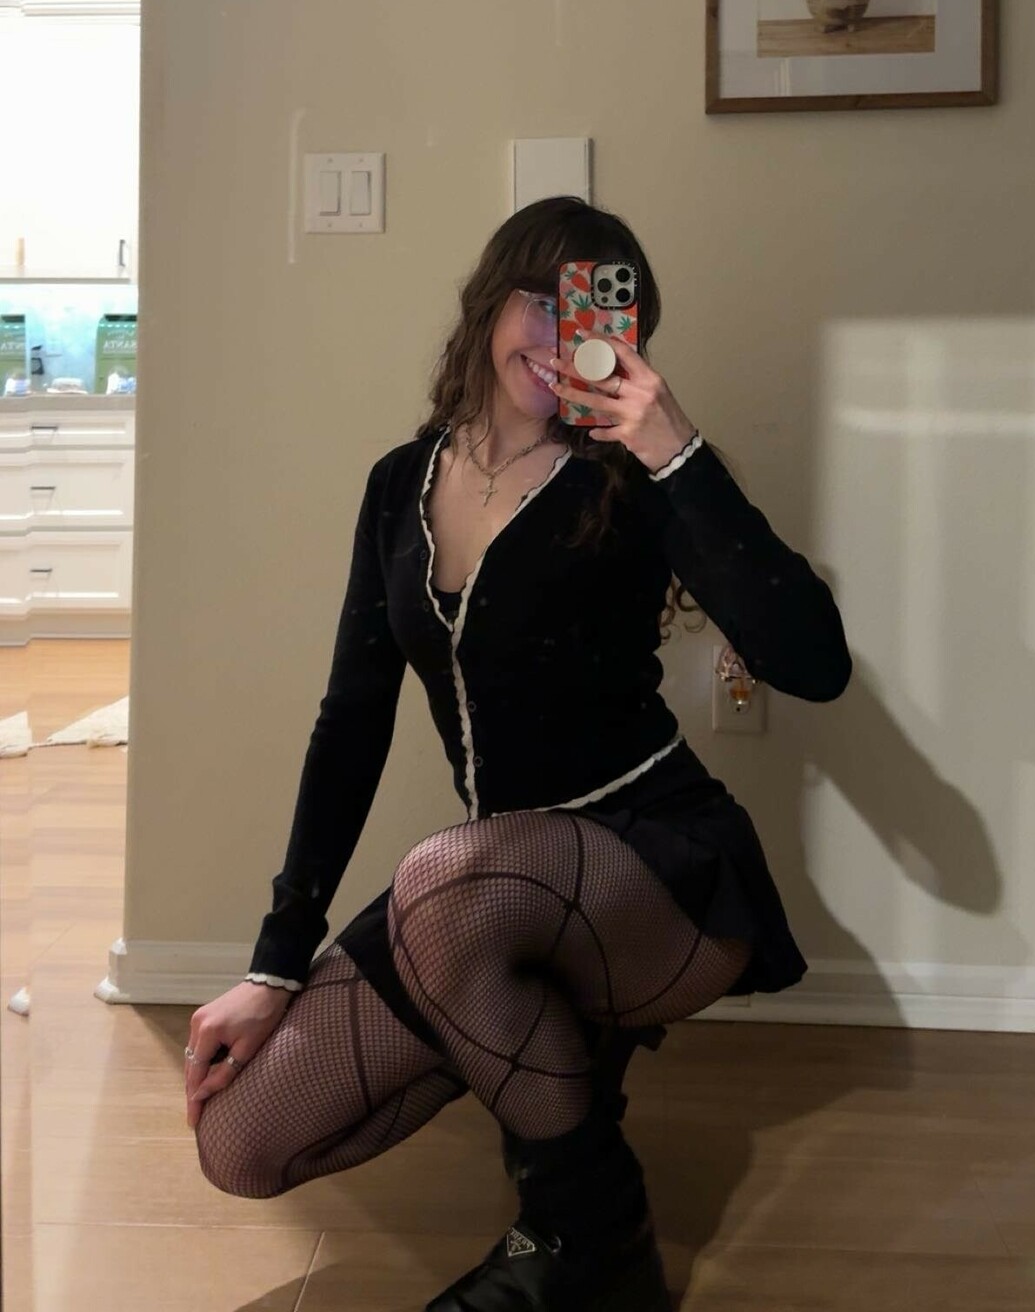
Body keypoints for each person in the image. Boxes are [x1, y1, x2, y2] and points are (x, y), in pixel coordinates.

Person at [185, 195, 851, 1311]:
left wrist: (674, 448)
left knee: (448, 879)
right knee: (241, 1143)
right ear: (488, 304)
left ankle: (593, 1245)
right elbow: (351, 720)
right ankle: (527, 1033)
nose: (557, 334)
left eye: (595, 310)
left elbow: (814, 662)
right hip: (484, 892)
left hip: (657, 866)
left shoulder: (633, 477)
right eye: (539, 300)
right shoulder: (401, 484)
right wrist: (274, 962)